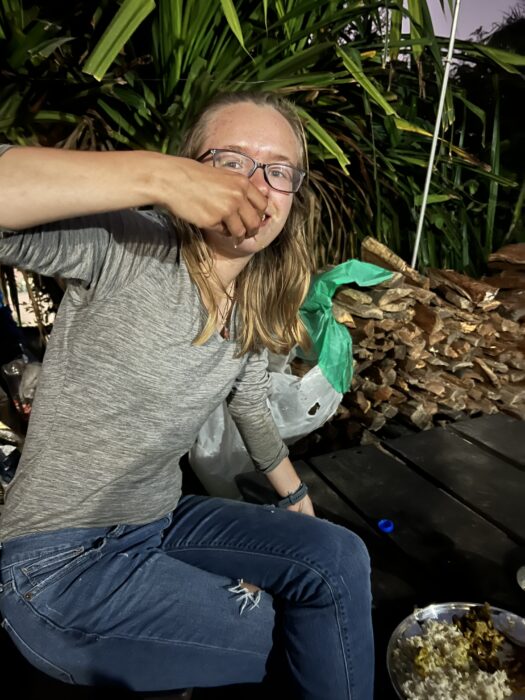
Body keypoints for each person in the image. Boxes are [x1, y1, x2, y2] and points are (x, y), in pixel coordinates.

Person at [0, 92, 374, 699]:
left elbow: (249, 404)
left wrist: (297, 496)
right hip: (59, 567)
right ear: (191, 173)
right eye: (230, 160)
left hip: (156, 521)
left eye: (278, 171)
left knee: (337, 556)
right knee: (307, 636)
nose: (256, 184)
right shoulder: (128, 245)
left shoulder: (250, 300)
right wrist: (155, 175)